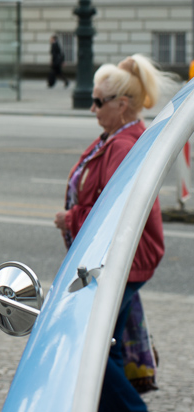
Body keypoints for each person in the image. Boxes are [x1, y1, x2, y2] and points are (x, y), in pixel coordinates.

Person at [53, 54, 176, 412]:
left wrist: (71, 218)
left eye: (98, 101)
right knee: (109, 347)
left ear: (122, 106)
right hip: (120, 259)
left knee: (86, 351)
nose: (92, 108)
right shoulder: (118, 136)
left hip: (123, 261)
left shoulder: (122, 145)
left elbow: (114, 213)